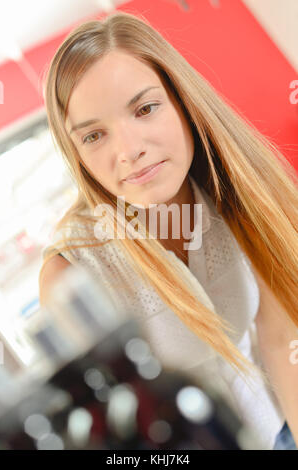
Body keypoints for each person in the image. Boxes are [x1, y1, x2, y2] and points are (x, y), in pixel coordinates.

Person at [39, 11, 298, 450]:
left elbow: (280, 338)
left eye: (144, 109)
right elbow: (121, 434)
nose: (129, 151)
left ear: (181, 100)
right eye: (93, 136)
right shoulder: (71, 272)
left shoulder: (229, 187)